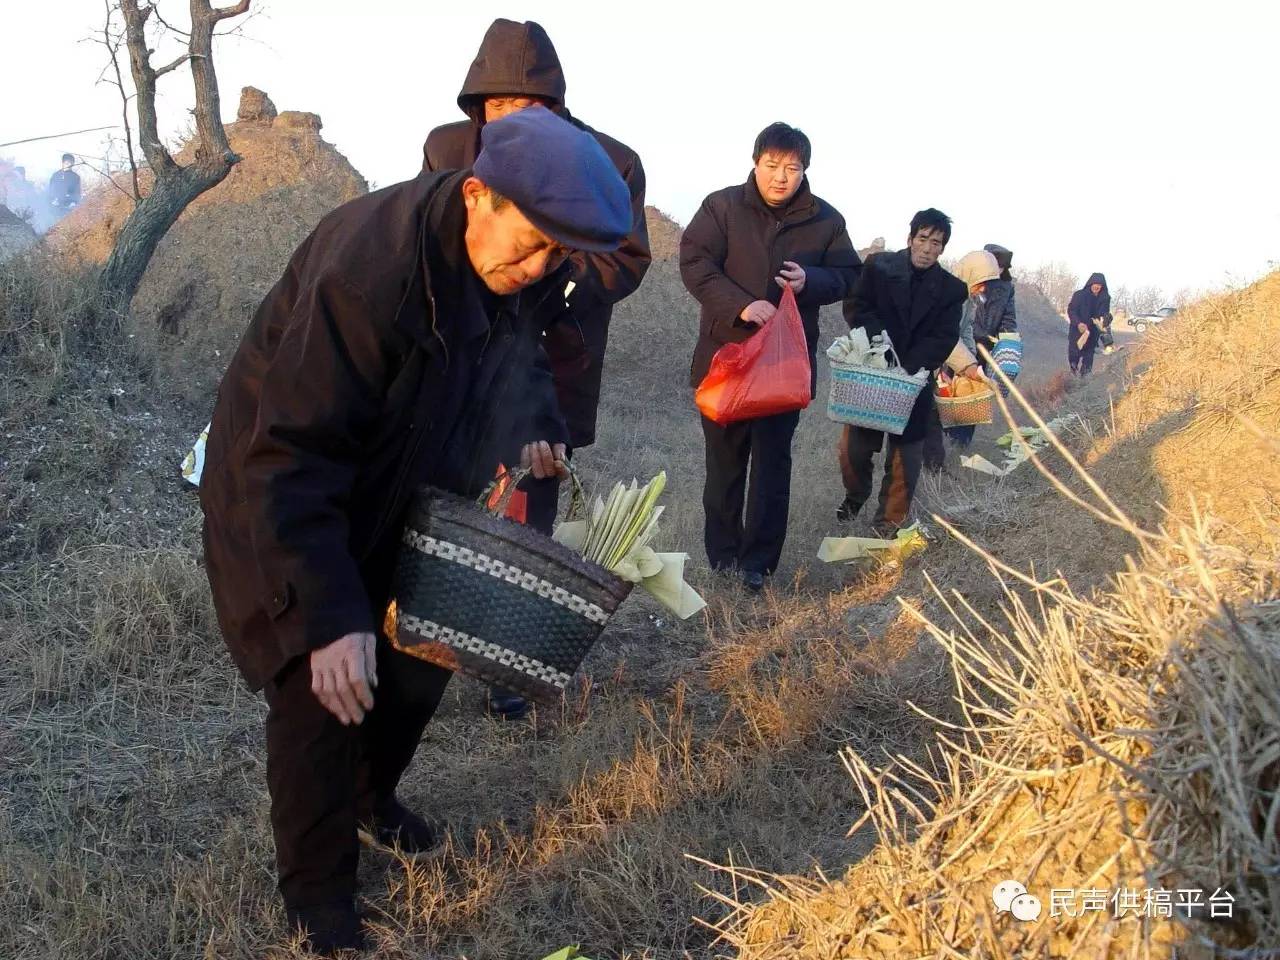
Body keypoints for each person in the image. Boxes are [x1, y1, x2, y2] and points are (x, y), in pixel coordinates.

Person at [198, 106, 632, 955]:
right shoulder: (372, 272)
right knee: (322, 685)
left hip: (407, 472)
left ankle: (372, 796)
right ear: (478, 194)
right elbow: (291, 452)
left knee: (425, 648)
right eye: (531, 242)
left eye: (557, 253)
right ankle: (320, 901)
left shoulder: (518, 265)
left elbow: (520, 357)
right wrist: (327, 618)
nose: (538, 265)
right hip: (283, 478)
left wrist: (535, 424)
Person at [422, 18, 651, 718]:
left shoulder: (609, 160)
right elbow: (433, 237)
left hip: (556, 358)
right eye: (496, 106)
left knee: (528, 512)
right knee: (448, 498)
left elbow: (624, 259)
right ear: (476, 105)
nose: (510, 121)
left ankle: (506, 664)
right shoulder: (449, 149)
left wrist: (543, 272)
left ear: (555, 107)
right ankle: (432, 641)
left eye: (528, 108)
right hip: (463, 357)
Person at [681, 123, 859, 592]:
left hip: (783, 368)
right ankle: (722, 558)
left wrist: (812, 281)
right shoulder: (721, 207)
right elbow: (695, 263)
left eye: (793, 168)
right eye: (772, 165)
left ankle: (757, 565)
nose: (781, 176)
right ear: (756, 163)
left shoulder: (826, 220)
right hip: (727, 360)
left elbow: (848, 275)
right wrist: (740, 303)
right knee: (724, 463)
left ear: (805, 171)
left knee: (773, 466)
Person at [837, 209, 966, 534]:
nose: (927, 248)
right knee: (854, 450)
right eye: (922, 239)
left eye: (935, 243)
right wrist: (880, 344)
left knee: (905, 458)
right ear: (910, 239)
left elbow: (945, 336)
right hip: (873, 370)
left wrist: (910, 366)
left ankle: (886, 527)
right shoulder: (878, 267)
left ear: (942, 249)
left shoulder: (952, 290)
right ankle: (856, 494)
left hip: (914, 379)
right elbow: (856, 306)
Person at [1067, 272, 1112, 376]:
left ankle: (1084, 381)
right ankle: (1072, 375)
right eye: (1095, 284)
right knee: (1074, 356)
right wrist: (1078, 323)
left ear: (1102, 286)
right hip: (1077, 331)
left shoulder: (1105, 298)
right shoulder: (1079, 295)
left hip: (1093, 333)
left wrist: (1107, 318)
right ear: (1090, 283)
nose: (1097, 287)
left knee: (1088, 358)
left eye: (1100, 285)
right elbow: (1071, 311)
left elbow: (1104, 314)